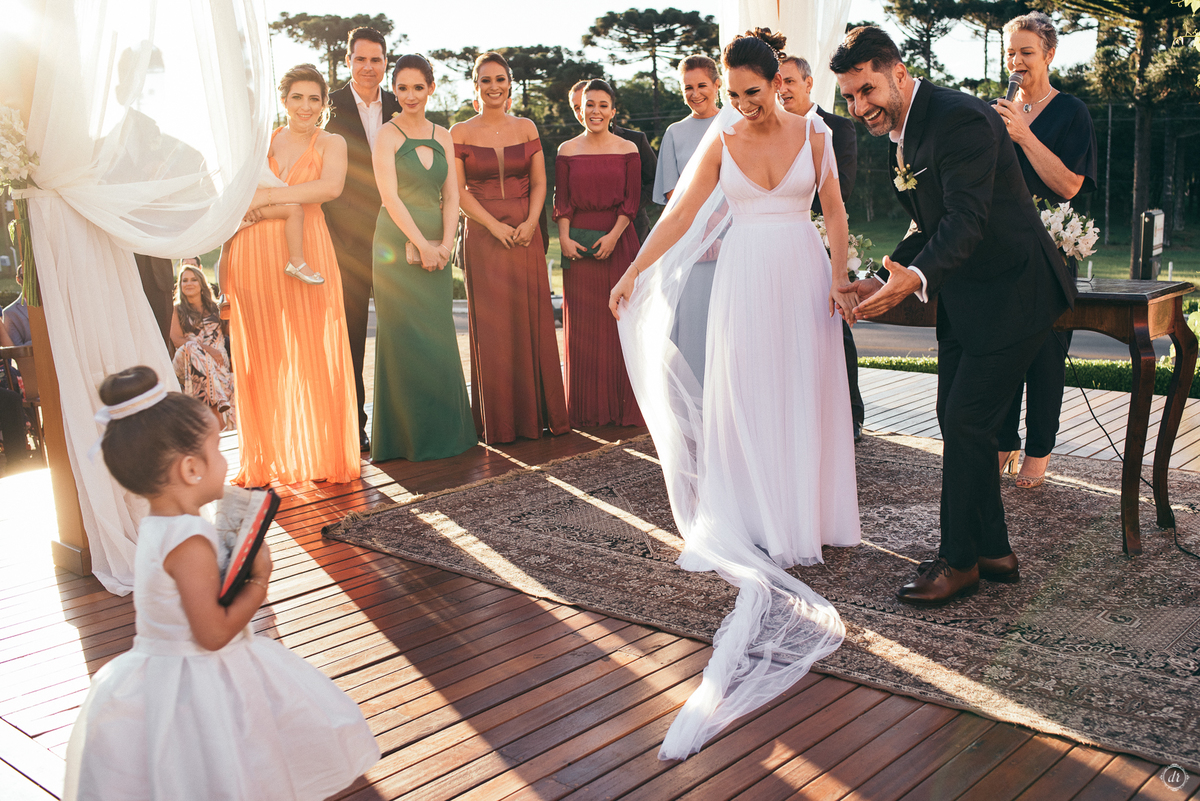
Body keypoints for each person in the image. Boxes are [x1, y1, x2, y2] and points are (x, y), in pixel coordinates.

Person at [609, 28, 860, 760]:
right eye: (735, 94)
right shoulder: (722, 135)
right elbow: (681, 215)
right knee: (747, 392)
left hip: (803, 271)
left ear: (779, 80)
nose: (747, 106)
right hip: (746, 275)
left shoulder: (815, 132)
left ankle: (805, 514)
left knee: (804, 392)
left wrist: (841, 278)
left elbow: (837, 211)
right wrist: (633, 273)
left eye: (756, 92)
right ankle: (750, 514)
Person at [832, 27, 1075, 605]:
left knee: (966, 420)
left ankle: (958, 561)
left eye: (867, 90)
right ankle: (993, 550)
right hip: (970, 298)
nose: (860, 106)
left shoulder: (959, 119)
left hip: (1017, 292)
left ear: (897, 71)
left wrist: (913, 282)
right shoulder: (907, 129)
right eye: (849, 97)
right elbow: (930, 222)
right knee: (957, 417)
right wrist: (891, 270)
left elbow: (966, 219)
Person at [64, 365, 378, 801]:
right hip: (202, 682)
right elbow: (212, 633)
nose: (225, 460)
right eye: (218, 448)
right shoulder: (188, 541)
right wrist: (258, 582)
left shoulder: (160, 525)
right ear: (191, 468)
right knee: (230, 772)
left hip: (163, 674)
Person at [222, 64, 360, 487]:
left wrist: (265, 197)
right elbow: (233, 194)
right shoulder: (259, 141)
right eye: (297, 97)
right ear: (284, 101)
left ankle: (321, 456)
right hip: (252, 251)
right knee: (263, 354)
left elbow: (329, 188)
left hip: (308, 249)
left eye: (314, 98)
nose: (305, 106)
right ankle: (264, 460)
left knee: (313, 350)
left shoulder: (332, 141)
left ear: (324, 103)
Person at [993, 11, 1098, 488]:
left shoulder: (1072, 111)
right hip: (1000, 250)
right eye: (1010, 52)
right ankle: (1001, 440)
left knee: (1045, 357)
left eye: (1026, 52)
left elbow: (1070, 185)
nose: (1016, 61)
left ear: (1050, 54)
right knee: (997, 351)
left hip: (1052, 255)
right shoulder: (995, 112)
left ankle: (1039, 449)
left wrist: (1023, 134)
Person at [451, 52, 569, 444]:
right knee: (495, 328)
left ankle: (540, 416)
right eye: (486, 80)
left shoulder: (526, 126)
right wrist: (491, 225)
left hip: (525, 234)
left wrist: (531, 222)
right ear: (476, 86)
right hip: (484, 238)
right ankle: (499, 423)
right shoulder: (460, 132)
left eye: (500, 79)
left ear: (509, 83)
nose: (494, 86)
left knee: (531, 319)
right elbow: (457, 191)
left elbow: (540, 182)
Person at [370, 54, 477, 462]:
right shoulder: (387, 134)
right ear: (393, 91)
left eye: (418, 87)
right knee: (403, 338)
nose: (410, 95)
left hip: (439, 239)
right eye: (402, 88)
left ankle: (448, 434)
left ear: (431, 87)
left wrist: (446, 242)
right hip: (397, 247)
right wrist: (423, 243)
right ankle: (405, 440)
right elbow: (389, 197)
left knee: (437, 336)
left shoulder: (443, 134)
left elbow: (452, 194)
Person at [778, 54, 866, 443]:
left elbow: (839, 192)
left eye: (790, 82)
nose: (782, 90)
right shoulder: (764, 128)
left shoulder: (838, 128)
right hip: (777, 244)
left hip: (820, 235)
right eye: (776, 83)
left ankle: (849, 415)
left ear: (809, 84)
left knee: (831, 327)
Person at [325, 27, 401, 453]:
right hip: (345, 242)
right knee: (349, 338)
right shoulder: (328, 106)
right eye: (360, 59)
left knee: (399, 334)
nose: (368, 67)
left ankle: (403, 426)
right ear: (349, 61)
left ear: (385, 61)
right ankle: (354, 427)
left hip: (397, 235)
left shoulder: (400, 104)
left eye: (376, 59)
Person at [557, 79, 644, 428]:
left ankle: (624, 407)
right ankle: (587, 410)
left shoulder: (629, 149)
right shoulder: (566, 150)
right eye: (589, 104)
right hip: (577, 247)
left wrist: (613, 237)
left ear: (613, 110)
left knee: (620, 321)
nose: (595, 111)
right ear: (580, 108)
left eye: (602, 105)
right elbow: (561, 201)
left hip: (619, 241)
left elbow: (632, 201)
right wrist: (563, 238)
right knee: (585, 327)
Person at [652, 56, 723, 385]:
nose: (695, 94)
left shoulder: (736, 125)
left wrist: (717, 230)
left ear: (718, 84)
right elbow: (672, 194)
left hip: (731, 242)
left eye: (702, 86)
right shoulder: (674, 133)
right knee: (691, 328)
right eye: (688, 88)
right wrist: (701, 231)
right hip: (689, 245)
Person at [569, 80, 657, 244]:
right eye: (577, 108)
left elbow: (656, 182)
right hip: (588, 233)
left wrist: (628, 207)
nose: (588, 111)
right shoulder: (569, 150)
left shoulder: (636, 140)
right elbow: (561, 196)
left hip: (634, 229)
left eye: (599, 104)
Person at [169, 263, 235, 428]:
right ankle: (220, 398)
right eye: (184, 281)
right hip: (186, 361)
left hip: (216, 364)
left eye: (193, 280)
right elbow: (177, 340)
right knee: (192, 347)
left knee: (232, 379)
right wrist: (207, 349)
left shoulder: (215, 308)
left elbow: (229, 334)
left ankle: (227, 427)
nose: (188, 284)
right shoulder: (177, 310)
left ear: (201, 284)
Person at [3, 265, 30, 346]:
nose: (30, 280)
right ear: (18, 279)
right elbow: (18, 350)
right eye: (24, 276)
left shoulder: (53, 305)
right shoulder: (10, 313)